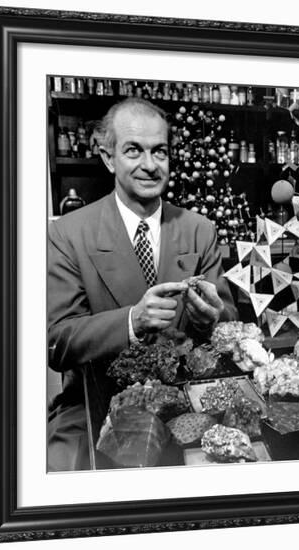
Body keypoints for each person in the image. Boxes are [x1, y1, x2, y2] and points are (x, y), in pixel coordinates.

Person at [47, 97, 238, 470]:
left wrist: (211, 319)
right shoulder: (69, 233)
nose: (150, 165)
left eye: (160, 152)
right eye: (134, 150)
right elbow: (57, 342)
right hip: (97, 401)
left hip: (187, 400)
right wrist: (131, 321)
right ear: (108, 157)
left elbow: (229, 323)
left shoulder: (199, 230)